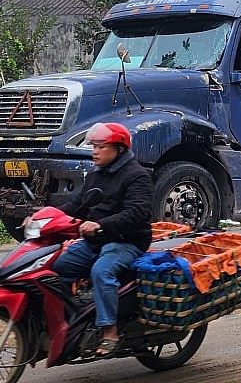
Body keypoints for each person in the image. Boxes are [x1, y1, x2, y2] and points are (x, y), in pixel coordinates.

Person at [50, 122, 152, 357]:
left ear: (119, 149)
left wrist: (100, 224)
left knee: (101, 272)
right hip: (97, 240)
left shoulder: (137, 176)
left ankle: (109, 331)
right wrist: (46, 217)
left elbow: (136, 214)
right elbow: (77, 204)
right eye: (93, 146)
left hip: (127, 242)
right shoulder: (97, 174)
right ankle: (72, 319)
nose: (94, 151)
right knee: (57, 267)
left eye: (100, 146)